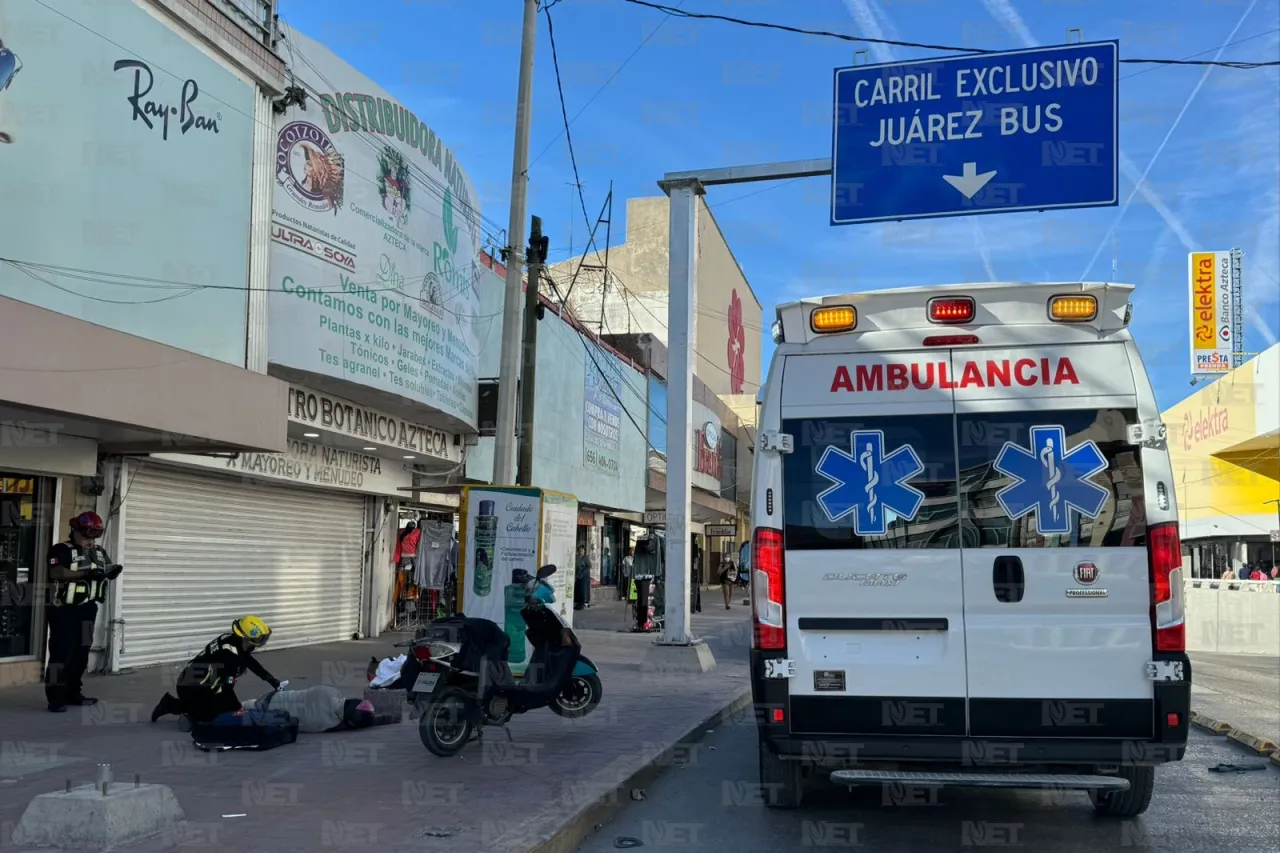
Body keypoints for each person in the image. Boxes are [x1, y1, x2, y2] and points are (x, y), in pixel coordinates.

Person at [45, 511, 122, 712]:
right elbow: (55, 572)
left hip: (88, 609)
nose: (92, 539)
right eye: (89, 533)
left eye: (96, 534)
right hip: (64, 611)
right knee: (61, 655)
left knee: (81, 654)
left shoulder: (98, 552)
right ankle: (55, 698)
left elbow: (107, 567)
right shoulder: (61, 549)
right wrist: (85, 574)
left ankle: (73, 693)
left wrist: (112, 570)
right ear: (76, 530)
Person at [150, 616, 282, 724]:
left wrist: (269, 678)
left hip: (197, 679)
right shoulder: (229, 656)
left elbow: (248, 660)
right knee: (214, 715)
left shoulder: (232, 640)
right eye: (259, 639)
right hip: (190, 686)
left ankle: (192, 708)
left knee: (222, 706)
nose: (261, 642)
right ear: (245, 637)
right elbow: (226, 688)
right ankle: (171, 705)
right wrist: (238, 709)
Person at [574, 545, 591, 610]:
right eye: (579, 550)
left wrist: (583, 571)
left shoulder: (585, 558)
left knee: (583, 590)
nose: (580, 551)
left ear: (584, 551)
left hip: (584, 576)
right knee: (577, 590)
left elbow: (589, 566)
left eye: (582, 550)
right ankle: (577, 603)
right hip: (577, 576)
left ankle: (582, 603)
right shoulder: (576, 557)